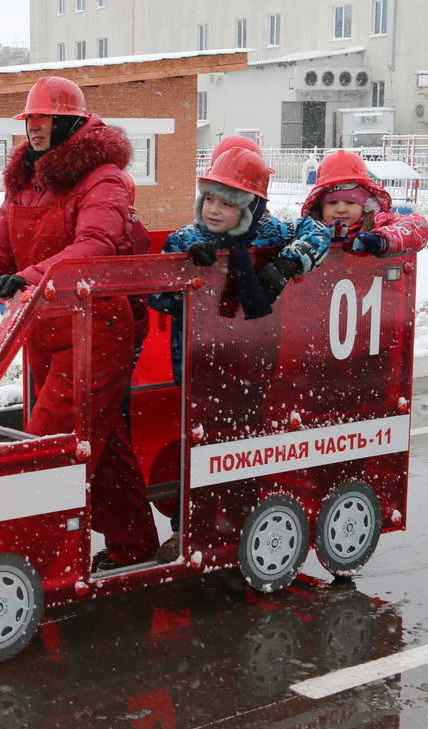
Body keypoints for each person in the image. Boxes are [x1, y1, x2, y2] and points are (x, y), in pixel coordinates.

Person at [0, 76, 160, 571]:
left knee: (42, 450)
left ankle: (19, 566)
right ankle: (135, 546)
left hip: (94, 329)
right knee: (97, 447)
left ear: (71, 123)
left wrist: (27, 277)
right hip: (41, 327)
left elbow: (95, 248)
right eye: (29, 120)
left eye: (44, 119)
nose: (34, 127)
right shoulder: (26, 182)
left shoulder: (102, 180)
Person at [147, 145, 331, 562]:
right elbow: (157, 297)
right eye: (209, 197)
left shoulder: (273, 234)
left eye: (227, 203)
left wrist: (286, 266)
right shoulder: (187, 239)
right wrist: (188, 273)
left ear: (252, 207)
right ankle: (187, 530)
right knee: (197, 447)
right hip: (198, 366)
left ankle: (239, 524)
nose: (212, 209)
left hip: (252, 362)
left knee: (241, 446)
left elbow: (319, 232)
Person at [300, 149, 428, 255]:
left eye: (350, 203)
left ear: (365, 205)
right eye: (332, 203)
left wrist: (382, 241)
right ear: (320, 206)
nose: (341, 209)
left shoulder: (378, 221)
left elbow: (418, 226)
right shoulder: (310, 228)